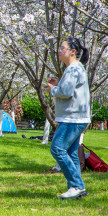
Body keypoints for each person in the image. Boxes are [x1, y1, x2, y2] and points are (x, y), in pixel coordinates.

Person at [45, 37, 90, 199]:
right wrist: (58, 84)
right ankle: (74, 188)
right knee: (71, 154)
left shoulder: (73, 69)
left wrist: (53, 89)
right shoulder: (75, 69)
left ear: (72, 52)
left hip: (72, 118)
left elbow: (65, 92)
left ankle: (78, 186)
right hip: (77, 117)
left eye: (62, 48)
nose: (59, 51)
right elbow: (69, 89)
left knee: (57, 149)